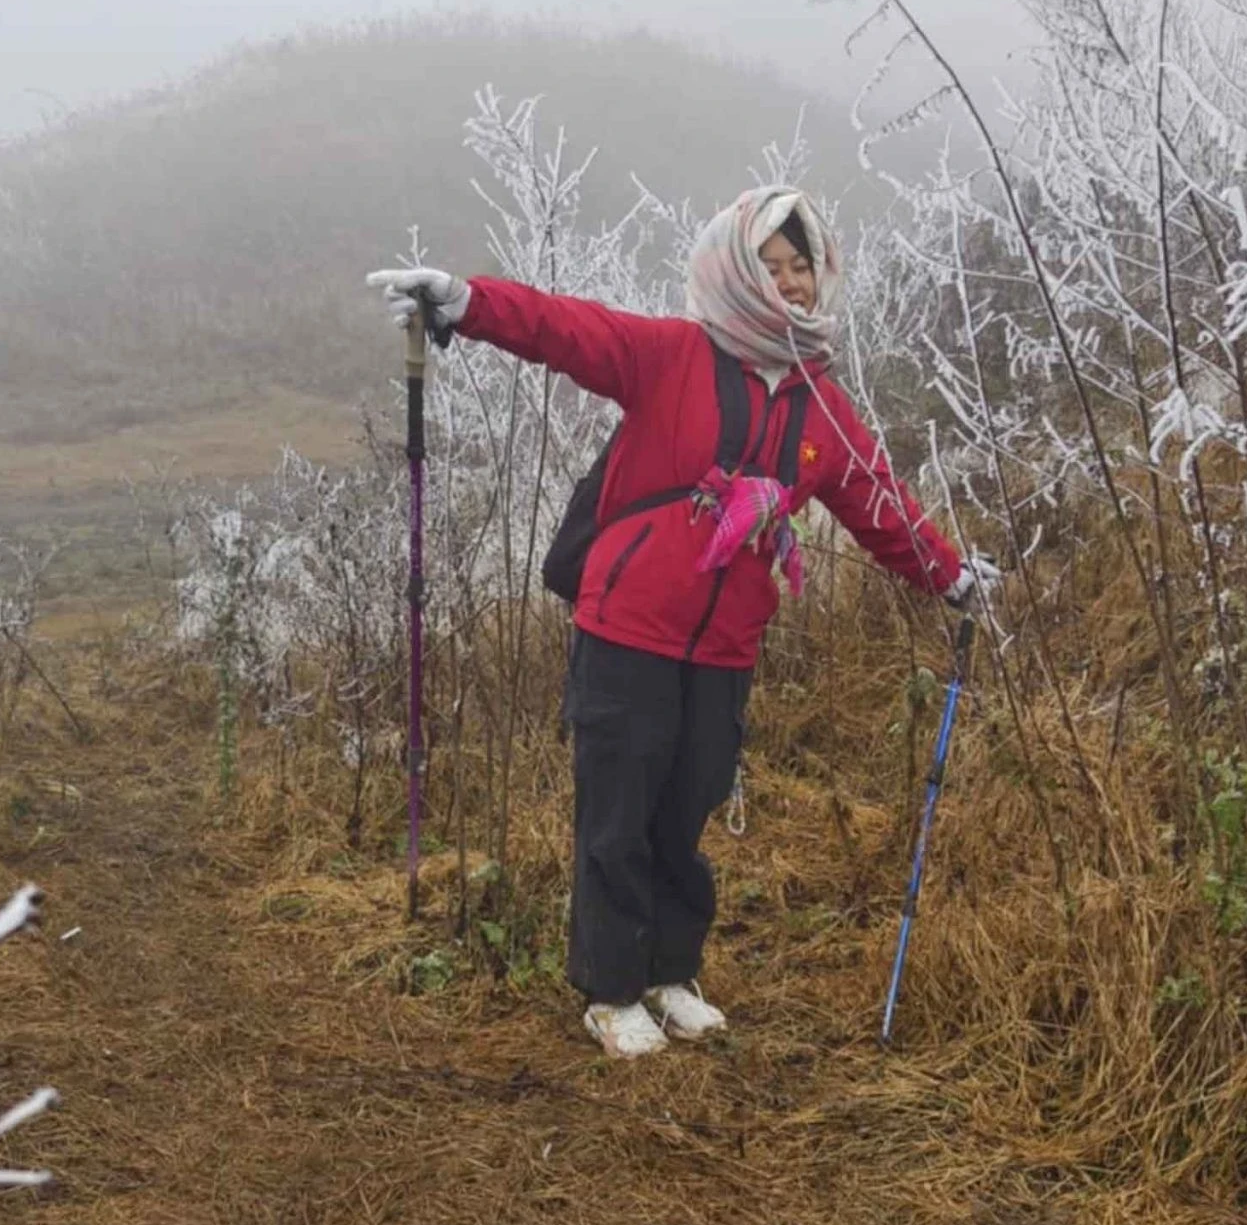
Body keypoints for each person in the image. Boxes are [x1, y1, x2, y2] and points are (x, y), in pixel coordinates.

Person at [368, 184, 979, 1059]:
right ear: (732, 270)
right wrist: (468, 303)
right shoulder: (674, 355)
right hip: (627, 635)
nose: (788, 284)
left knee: (684, 813)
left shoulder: (821, 405)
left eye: (800, 267)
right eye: (768, 266)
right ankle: (610, 990)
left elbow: (881, 506)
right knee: (617, 815)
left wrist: (951, 577)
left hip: (726, 648)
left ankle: (668, 973)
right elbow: (566, 329)